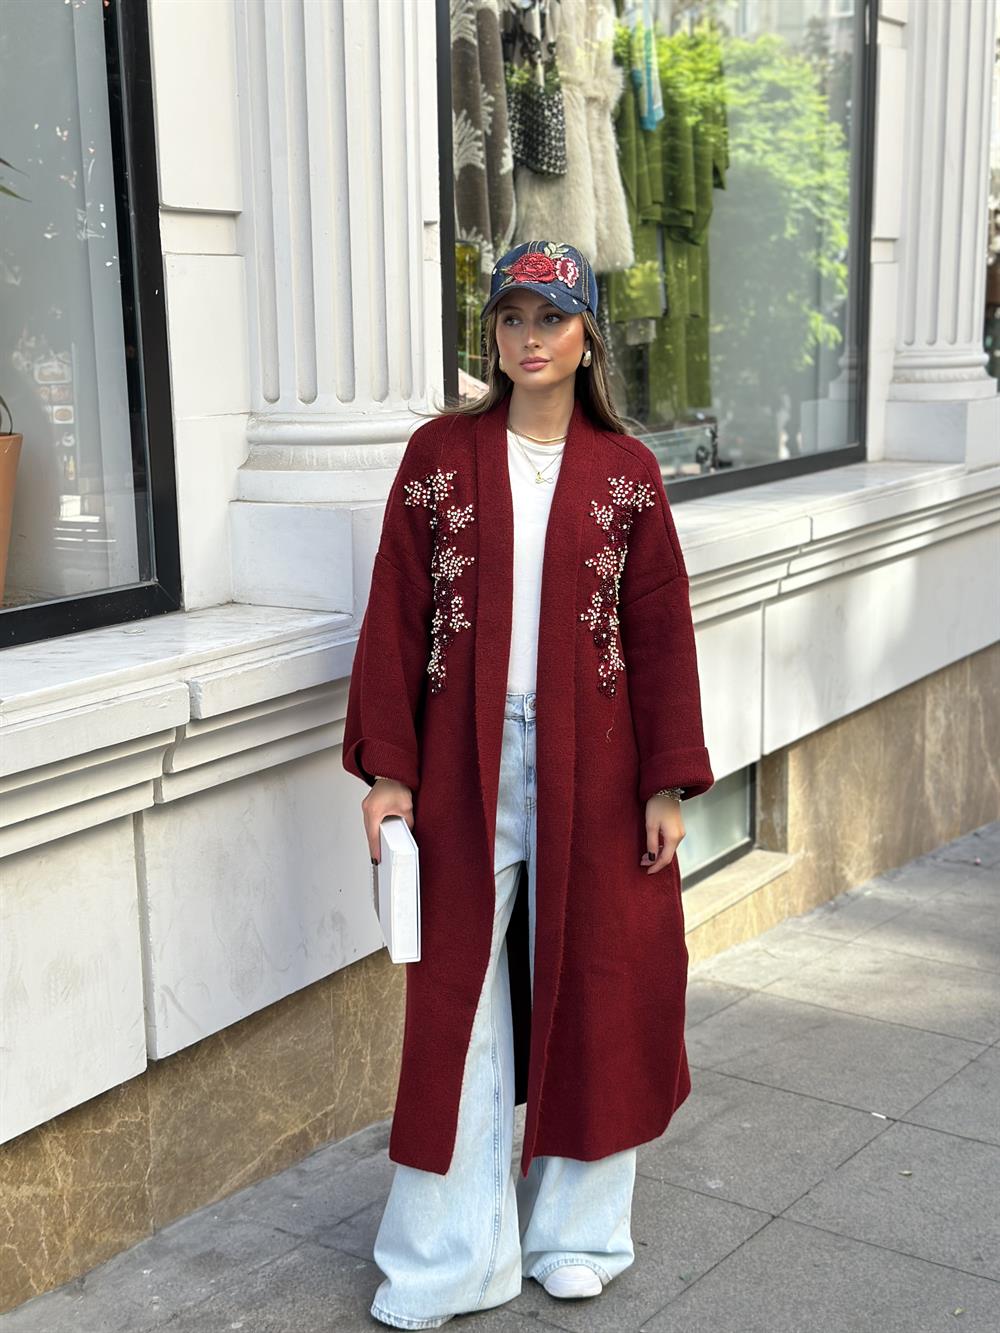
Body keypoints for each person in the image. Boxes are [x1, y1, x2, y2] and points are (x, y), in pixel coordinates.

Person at [342, 239, 714, 1329]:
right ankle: (449, 1257)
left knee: (598, 982)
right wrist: (390, 772)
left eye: (552, 317)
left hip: (597, 760)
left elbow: (658, 629)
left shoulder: (626, 471)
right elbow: (396, 611)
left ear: (588, 333)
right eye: (511, 317)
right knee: (454, 1002)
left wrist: (665, 782)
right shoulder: (440, 454)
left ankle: (578, 1233)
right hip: (460, 760)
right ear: (492, 333)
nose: (530, 337)